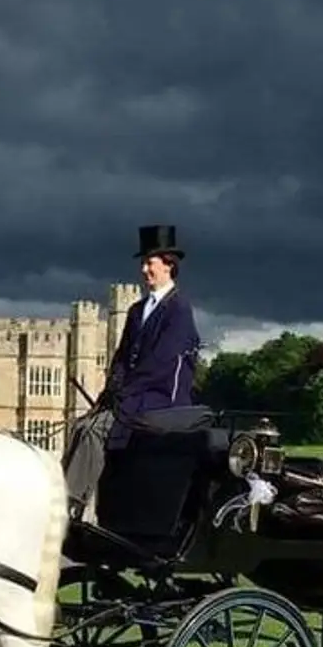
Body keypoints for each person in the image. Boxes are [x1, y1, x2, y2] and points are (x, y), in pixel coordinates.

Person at [63, 224, 205, 524]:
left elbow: (161, 363)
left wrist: (124, 394)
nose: (143, 269)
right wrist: (108, 394)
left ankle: (70, 504)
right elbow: (122, 358)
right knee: (81, 426)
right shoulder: (137, 310)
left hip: (162, 399)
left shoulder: (179, 309)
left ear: (168, 265)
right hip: (133, 397)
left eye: (149, 263)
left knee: (95, 431)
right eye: (143, 263)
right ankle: (74, 500)